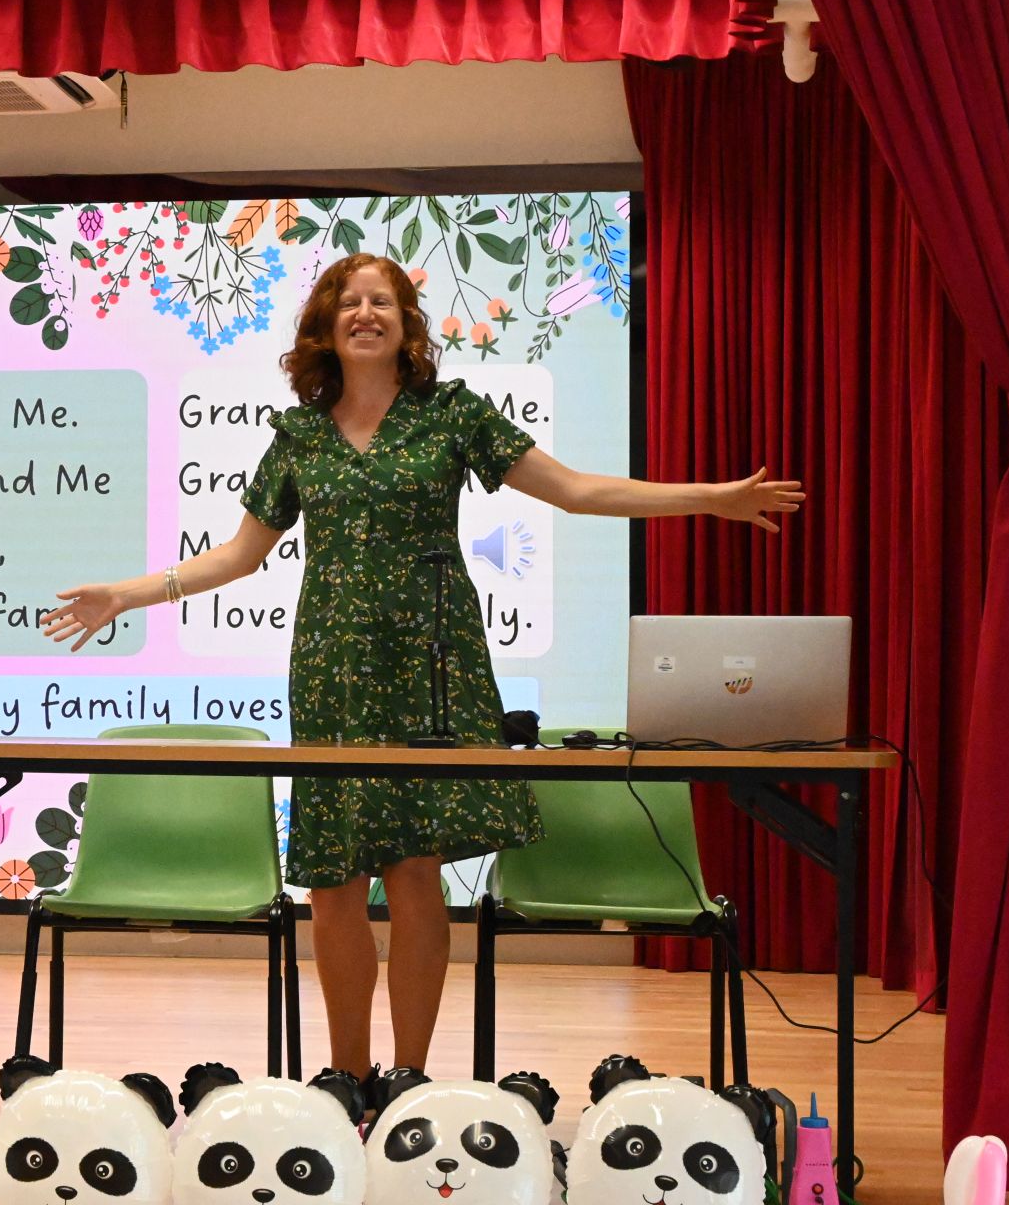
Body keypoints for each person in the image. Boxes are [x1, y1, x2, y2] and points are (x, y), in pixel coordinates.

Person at [40, 253, 803, 1094]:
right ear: (326, 326)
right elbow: (238, 555)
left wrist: (709, 498)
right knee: (335, 883)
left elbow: (575, 491)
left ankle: (407, 1079)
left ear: (407, 324)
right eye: (349, 302)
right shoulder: (299, 435)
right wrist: (127, 594)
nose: (366, 313)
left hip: (431, 669)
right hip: (333, 673)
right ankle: (346, 1079)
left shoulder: (452, 415)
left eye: (383, 301)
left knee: (413, 872)